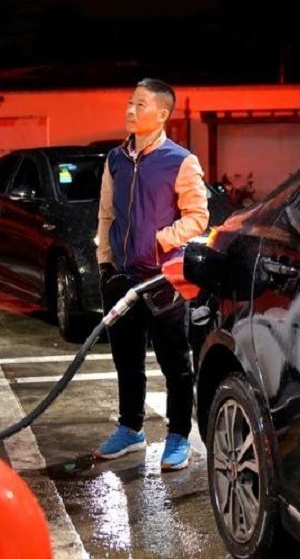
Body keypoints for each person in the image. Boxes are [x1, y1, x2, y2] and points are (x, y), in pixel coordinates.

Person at [94, 78, 209, 471]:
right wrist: (105, 264)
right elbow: (106, 214)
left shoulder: (180, 161)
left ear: (162, 114)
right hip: (121, 277)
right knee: (125, 359)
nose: (130, 110)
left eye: (139, 104)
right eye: (129, 102)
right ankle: (131, 429)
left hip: (162, 280)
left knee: (175, 361)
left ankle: (178, 436)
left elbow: (198, 217)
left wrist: (162, 241)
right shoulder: (115, 160)